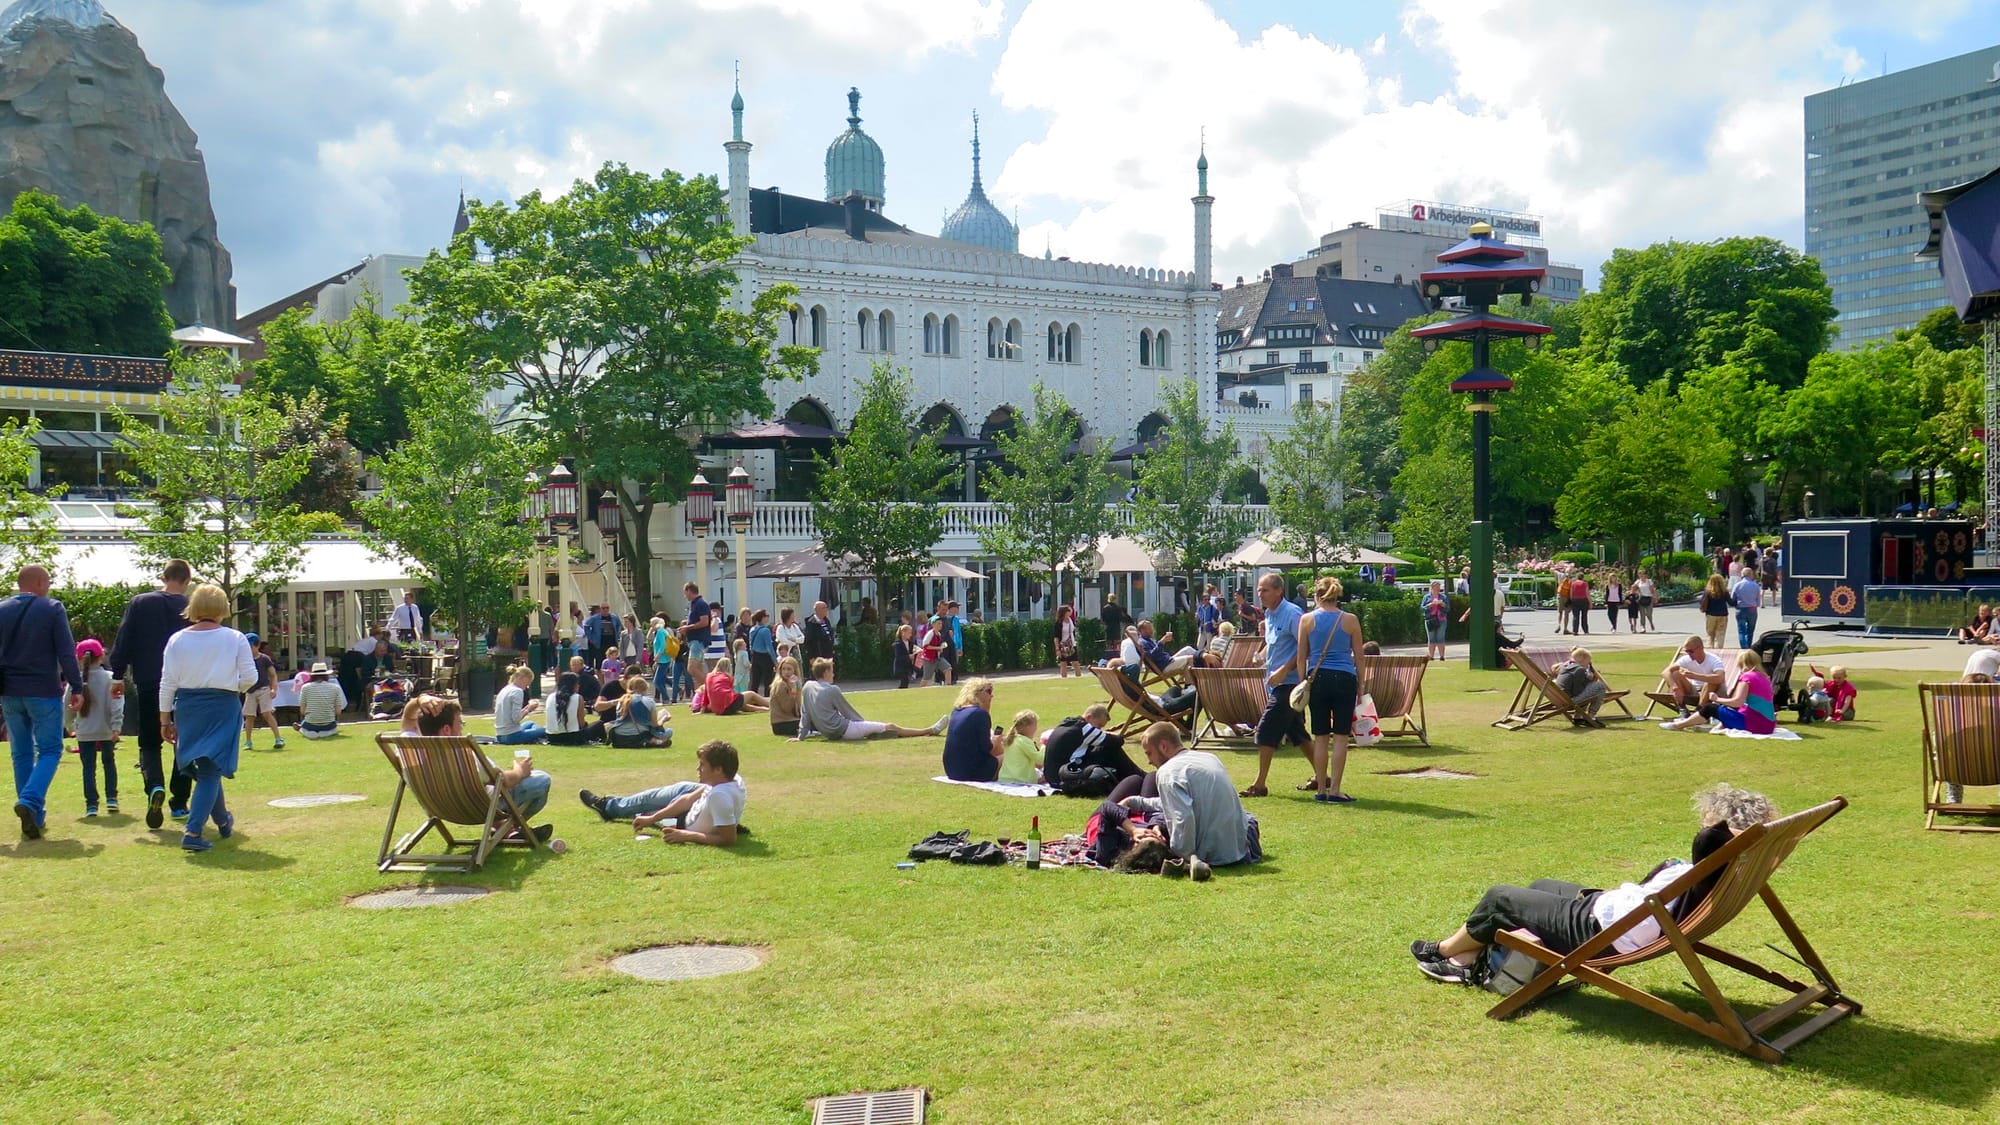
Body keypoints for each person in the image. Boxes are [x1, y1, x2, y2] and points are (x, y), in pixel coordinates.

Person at [1409, 785, 1775, 984]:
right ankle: (1471, 955)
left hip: (1599, 931)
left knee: (1500, 897)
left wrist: (1730, 828)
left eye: (1709, 819)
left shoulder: (1716, 855)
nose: (1704, 822)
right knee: (1542, 885)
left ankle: (1446, 953)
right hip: (1613, 916)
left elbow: (1710, 838)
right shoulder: (1736, 867)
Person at [158, 583, 258, 852]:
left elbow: (167, 682)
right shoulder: (234, 638)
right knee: (211, 769)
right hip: (222, 704)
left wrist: (164, 719)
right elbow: (250, 677)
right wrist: (231, 687)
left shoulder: (177, 639)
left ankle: (223, 821)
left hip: (188, 706)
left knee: (205, 768)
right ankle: (192, 831)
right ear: (222, 608)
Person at [2, 565, 85, 839]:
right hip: (42, 689)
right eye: (48, 581)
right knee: (50, 750)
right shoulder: (52, 608)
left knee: (21, 752)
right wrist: (76, 685)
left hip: (10, 691)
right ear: (38, 582)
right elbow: (65, 650)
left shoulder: (2, 609)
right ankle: (30, 801)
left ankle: (34, 818)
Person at [1118, 722, 1261, 879]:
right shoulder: (1209, 758)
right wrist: (1136, 801)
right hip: (1239, 847)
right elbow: (1186, 803)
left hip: (1213, 855)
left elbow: (1183, 817)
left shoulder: (1168, 772)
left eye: (1149, 753)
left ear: (1163, 746)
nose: (1149, 761)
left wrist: (1181, 856)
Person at [109, 559, 190, 827]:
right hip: (184, 684)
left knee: (149, 741)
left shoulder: (140, 603)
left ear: (163, 576)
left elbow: (125, 639)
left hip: (148, 680)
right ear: (187, 580)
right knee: (182, 740)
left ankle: (154, 785)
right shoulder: (191, 607)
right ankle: (179, 802)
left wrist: (117, 674)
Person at [411, 696, 552, 841]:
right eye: (460, 723)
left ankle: (505, 829)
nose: (461, 728)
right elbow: (504, 781)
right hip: (475, 810)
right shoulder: (465, 756)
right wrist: (520, 770)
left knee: (485, 788)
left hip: (440, 810)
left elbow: (407, 722)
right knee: (541, 779)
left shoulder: (410, 753)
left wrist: (417, 701)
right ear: (447, 729)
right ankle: (509, 829)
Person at [580, 739, 745, 846]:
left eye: (703, 765)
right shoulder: (729, 780)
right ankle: (614, 804)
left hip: (683, 823)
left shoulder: (719, 796)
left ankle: (608, 806)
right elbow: (687, 800)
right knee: (656, 804)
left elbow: (728, 840)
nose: (698, 769)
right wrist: (653, 818)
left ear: (718, 769)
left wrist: (686, 835)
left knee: (641, 811)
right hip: (690, 813)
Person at [1295, 576, 1364, 803]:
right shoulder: (1350, 620)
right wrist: (1361, 686)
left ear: (1317, 595)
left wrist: (1302, 682)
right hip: (1345, 678)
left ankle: (1321, 789)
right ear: (1338, 596)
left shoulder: (1306, 620)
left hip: (1318, 678)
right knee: (1341, 737)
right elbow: (1359, 657)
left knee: (1321, 736)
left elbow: (1301, 657)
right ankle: (1335, 789)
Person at [1239, 572, 1307, 800]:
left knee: (1266, 730)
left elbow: (1305, 647)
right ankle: (1323, 776)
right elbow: (1273, 644)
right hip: (1275, 683)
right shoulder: (1268, 615)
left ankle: (1260, 784)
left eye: (1265, 590)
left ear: (1279, 590)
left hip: (1289, 685)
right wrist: (1260, 655)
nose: (1260, 594)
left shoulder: (1293, 614)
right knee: (1298, 735)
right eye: (1259, 590)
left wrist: (1285, 669)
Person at [796, 658, 941, 742]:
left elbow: (805, 713)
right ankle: (928, 730)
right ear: (826, 672)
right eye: (832, 671)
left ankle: (876, 734)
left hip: (830, 732)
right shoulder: (832, 689)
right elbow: (848, 712)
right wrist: (863, 724)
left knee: (876, 730)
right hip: (843, 729)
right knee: (891, 726)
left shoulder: (807, 686)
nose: (833, 674)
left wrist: (801, 736)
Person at [1663, 649, 1776, 734]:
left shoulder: (1747, 677)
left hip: (1755, 724)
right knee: (1726, 711)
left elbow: (1738, 702)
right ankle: (1714, 727)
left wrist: (1717, 699)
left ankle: (1678, 725)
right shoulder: (1764, 678)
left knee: (1710, 708)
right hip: (1768, 724)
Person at [70, 639, 123, 817]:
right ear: (101, 656)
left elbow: (65, 706)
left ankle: (91, 805)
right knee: (109, 763)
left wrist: (70, 726)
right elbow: (117, 704)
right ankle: (112, 798)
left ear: (78, 658)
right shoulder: (110, 678)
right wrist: (116, 726)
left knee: (88, 767)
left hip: (84, 731)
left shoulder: (75, 681)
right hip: (107, 729)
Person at [940, 677, 1004, 780]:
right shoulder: (980, 714)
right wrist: (995, 741)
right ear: (976, 693)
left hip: (952, 770)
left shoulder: (956, 711)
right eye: (988, 691)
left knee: (998, 748)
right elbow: (987, 748)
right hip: (973, 772)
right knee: (1011, 757)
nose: (991, 695)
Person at [240, 633, 285, 752]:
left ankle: (278, 738)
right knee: (249, 716)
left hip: (263, 689)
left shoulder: (264, 658)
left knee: (266, 713)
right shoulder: (244, 660)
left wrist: (274, 689)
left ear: (257, 646)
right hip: (250, 690)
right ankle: (248, 741)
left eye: (250, 647)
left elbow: (273, 675)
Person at [1661, 636, 1727, 711]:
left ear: (1701, 648)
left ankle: (1700, 709)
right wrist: (1675, 687)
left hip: (1713, 692)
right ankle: (1682, 709)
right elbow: (1665, 672)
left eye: (1691, 651)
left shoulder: (1714, 660)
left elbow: (1720, 678)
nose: (1689, 654)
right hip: (1694, 690)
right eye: (1687, 651)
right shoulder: (1686, 659)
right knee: (1675, 674)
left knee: (1711, 681)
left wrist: (1695, 676)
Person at [606, 675, 672, 747]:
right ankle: (653, 741)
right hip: (638, 735)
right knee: (669, 731)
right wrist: (663, 719)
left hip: (619, 737)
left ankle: (653, 741)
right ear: (645, 689)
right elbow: (655, 724)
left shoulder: (621, 701)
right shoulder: (648, 701)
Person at [1551, 647, 1609, 727]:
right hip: (1570, 701)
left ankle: (1578, 717)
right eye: (1588, 661)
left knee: (1594, 688)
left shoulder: (1565, 667)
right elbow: (1577, 691)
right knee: (1600, 686)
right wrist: (1588, 681)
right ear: (1582, 659)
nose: (1588, 664)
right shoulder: (1579, 670)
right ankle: (1591, 716)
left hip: (1562, 699)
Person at [543, 672, 601, 746]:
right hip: (571, 737)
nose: (579, 686)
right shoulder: (578, 697)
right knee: (599, 724)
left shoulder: (550, 696)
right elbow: (581, 723)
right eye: (577, 683)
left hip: (551, 737)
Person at [493, 665, 546, 745]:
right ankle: (537, 738)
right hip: (512, 736)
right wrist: (529, 709)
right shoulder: (517, 691)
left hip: (500, 735)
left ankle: (535, 736)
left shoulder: (505, 689)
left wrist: (527, 707)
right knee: (546, 729)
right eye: (527, 683)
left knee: (530, 723)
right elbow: (516, 718)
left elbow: (511, 714)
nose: (527, 687)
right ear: (523, 678)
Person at [296, 662, 347, 740]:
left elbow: (302, 711)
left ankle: (304, 731)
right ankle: (327, 733)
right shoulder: (335, 688)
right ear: (326, 675)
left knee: (304, 725)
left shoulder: (305, 688)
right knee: (333, 728)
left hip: (310, 723)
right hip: (329, 724)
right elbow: (338, 712)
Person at [703, 657, 768, 715]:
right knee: (751, 694)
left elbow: (706, 696)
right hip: (728, 703)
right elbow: (732, 694)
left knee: (742, 705)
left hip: (718, 709)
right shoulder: (727, 677)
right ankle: (771, 705)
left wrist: (703, 709)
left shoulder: (708, 676)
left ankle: (766, 710)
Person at [678, 583, 714, 677]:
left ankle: (709, 686)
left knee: (692, 668)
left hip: (698, 640)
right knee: (699, 669)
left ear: (689, 591)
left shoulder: (701, 603)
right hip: (694, 640)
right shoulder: (694, 604)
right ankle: (700, 691)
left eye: (685, 593)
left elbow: (704, 622)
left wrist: (687, 627)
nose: (684, 596)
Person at [998, 709, 1043, 784]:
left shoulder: (1011, 739)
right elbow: (1040, 760)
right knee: (1045, 775)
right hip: (1020, 779)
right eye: (1035, 725)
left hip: (1004, 778)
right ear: (1028, 727)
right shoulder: (1024, 741)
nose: (1036, 728)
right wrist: (1044, 747)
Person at [768, 657, 803, 738]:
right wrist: (793, 691)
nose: (786, 672)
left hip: (791, 719)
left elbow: (798, 709)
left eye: (789, 669)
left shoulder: (792, 684)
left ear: (795, 671)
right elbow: (786, 708)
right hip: (781, 723)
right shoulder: (780, 684)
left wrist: (797, 689)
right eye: (783, 669)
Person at [1730, 564, 1762, 650]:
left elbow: (1733, 598)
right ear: (1751, 574)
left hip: (1741, 608)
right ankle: (1748, 646)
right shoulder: (1755, 585)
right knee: (1750, 630)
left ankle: (1743, 647)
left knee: (1741, 630)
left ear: (1742, 574)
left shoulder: (1737, 585)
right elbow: (1758, 599)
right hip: (1752, 608)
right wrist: (1756, 605)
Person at [747, 610, 776, 695]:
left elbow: (750, 645)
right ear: (762, 618)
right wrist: (775, 661)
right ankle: (767, 698)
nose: (768, 617)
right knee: (768, 681)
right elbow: (769, 647)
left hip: (755, 656)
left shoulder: (752, 629)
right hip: (765, 657)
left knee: (755, 681)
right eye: (767, 615)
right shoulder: (765, 630)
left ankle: (752, 699)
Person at [1697, 574, 1730, 649]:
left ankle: (1710, 648)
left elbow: (1701, 602)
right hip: (1722, 615)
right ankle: (1719, 648)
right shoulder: (1724, 592)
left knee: (1710, 633)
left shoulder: (1708, 592)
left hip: (1710, 614)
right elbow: (1731, 602)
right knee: (1720, 633)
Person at [801, 600, 837, 667]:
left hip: (828, 655)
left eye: (826, 607)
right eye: (824, 608)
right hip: (818, 655)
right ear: (817, 610)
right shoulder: (811, 623)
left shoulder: (826, 621)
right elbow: (808, 641)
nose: (826, 609)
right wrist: (811, 657)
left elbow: (829, 636)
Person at [1421, 579, 1449, 661]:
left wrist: (1442, 604)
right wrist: (1430, 605)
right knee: (1431, 638)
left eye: (1439, 587)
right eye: (1436, 587)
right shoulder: (1426, 597)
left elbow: (1448, 608)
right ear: (1432, 587)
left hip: (1441, 619)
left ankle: (1442, 656)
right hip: (1430, 619)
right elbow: (1422, 608)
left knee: (1440, 638)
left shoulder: (1443, 597)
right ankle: (1431, 656)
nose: (1438, 588)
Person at [1054, 604, 1082, 678]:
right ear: (1064, 612)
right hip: (1063, 644)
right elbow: (1056, 637)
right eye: (1069, 610)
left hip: (1072, 644)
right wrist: (1057, 649)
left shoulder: (1070, 620)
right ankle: (1064, 678)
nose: (1071, 611)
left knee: (1075, 662)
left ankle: (1078, 678)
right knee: (1063, 663)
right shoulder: (1059, 623)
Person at [891, 624, 915, 689]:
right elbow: (898, 656)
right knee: (904, 682)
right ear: (903, 633)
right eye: (909, 633)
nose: (910, 635)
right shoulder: (898, 643)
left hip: (907, 667)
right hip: (900, 667)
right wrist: (908, 656)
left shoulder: (910, 643)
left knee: (905, 683)